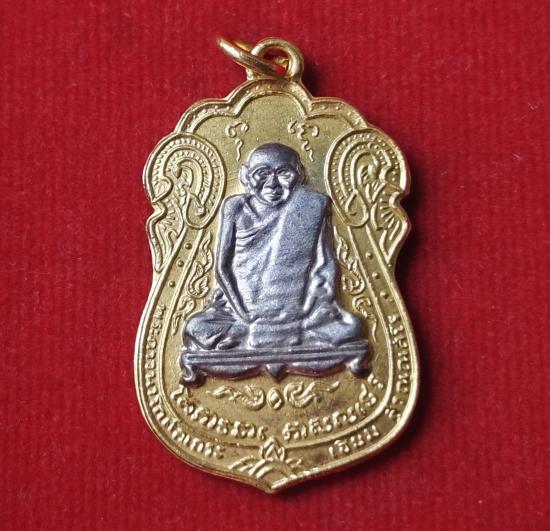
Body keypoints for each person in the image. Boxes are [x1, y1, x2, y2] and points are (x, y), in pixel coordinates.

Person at [183, 143, 364, 352]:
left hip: (300, 312)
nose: (272, 184)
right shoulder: (236, 207)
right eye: (262, 173)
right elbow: (222, 268)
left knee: (354, 327)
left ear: (299, 174)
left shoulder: (313, 205)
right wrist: (244, 315)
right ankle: (274, 334)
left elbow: (325, 264)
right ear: (245, 176)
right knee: (195, 327)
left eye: (283, 173)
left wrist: (310, 309)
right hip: (241, 311)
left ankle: (254, 335)